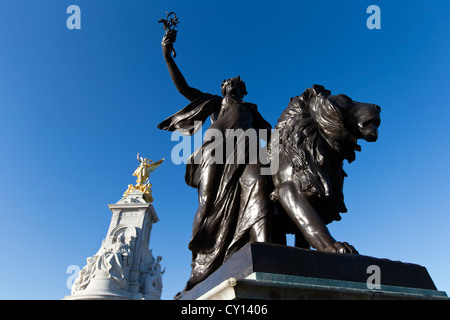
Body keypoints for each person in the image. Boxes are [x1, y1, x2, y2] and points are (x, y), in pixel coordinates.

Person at [157, 30, 273, 291]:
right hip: (215, 151)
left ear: (242, 90)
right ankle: (198, 264)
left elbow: (272, 135)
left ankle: (249, 247)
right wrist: (167, 55)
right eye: (228, 84)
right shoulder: (214, 103)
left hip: (245, 153)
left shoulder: (251, 110)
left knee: (255, 190)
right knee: (207, 202)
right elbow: (183, 88)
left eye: (236, 85)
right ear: (223, 89)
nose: (232, 86)